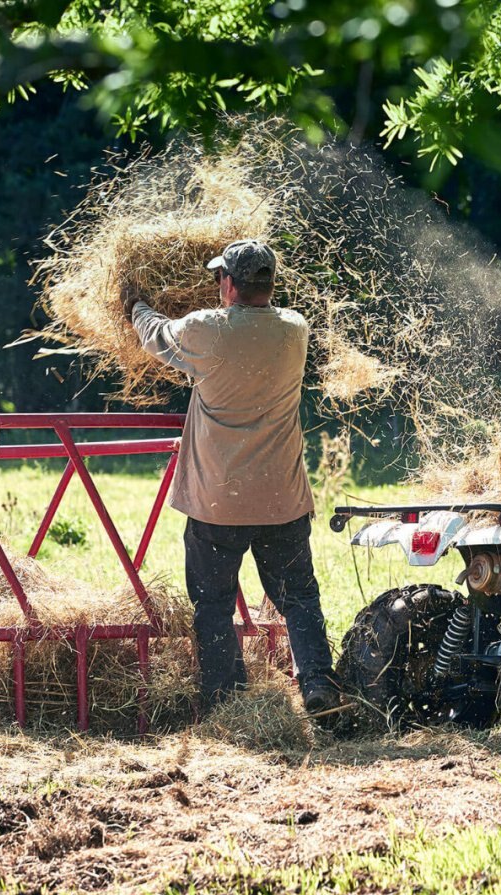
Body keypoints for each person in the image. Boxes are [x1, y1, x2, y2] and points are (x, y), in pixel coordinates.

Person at [126, 239, 341, 715]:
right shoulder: (295, 330)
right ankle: (318, 685)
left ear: (227, 283)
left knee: (213, 603)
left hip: (217, 500)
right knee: (300, 597)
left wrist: (135, 304)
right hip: (281, 497)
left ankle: (226, 701)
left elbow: (156, 335)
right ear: (269, 283)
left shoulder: (207, 330)